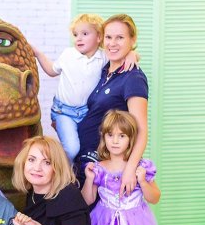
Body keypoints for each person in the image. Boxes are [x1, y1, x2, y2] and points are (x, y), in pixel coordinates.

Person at [34, 14, 137, 162]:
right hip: (64, 111)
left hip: (85, 111)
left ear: (99, 37)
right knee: (72, 149)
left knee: (84, 145)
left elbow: (122, 54)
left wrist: (132, 54)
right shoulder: (68, 54)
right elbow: (51, 70)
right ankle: (60, 170)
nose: (79, 38)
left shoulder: (104, 57)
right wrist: (38, 53)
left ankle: (73, 169)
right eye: (75, 35)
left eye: (85, 34)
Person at [76, 14, 148, 195]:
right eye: (108, 37)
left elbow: (141, 129)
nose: (112, 43)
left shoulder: (133, 78)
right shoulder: (105, 69)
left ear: (133, 39)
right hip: (85, 160)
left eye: (120, 38)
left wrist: (130, 169)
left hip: (103, 166)